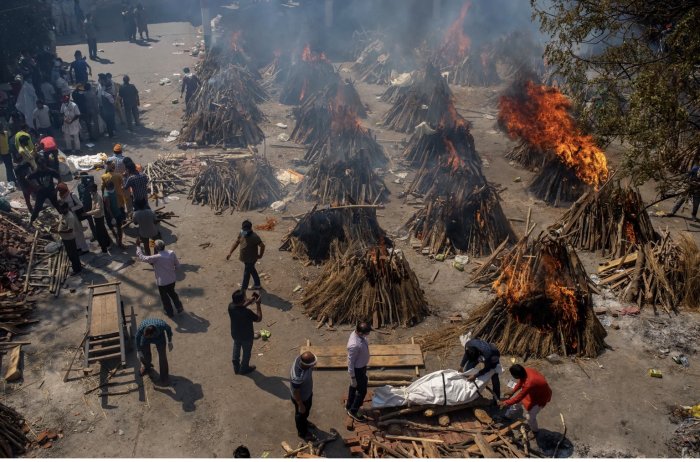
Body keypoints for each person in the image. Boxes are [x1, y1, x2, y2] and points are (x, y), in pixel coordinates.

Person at [136, 239, 184, 317]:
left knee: (165, 298)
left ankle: (170, 313)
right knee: (172, 293)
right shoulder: (171, 253)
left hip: (162, 283)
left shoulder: (156, 257)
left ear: (156, 248)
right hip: (172, 280)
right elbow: (178, 265)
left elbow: (142, 258)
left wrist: (138, 247)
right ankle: (179, 307)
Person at [499, 364, 552, 435]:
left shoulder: (529, 383)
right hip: (532, 392)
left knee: (530, 417)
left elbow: (518, 398)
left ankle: (535, 431)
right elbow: (521, 382)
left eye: (513, 375)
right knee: (515, 404)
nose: (512, 376)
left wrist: (506, 402)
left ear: (517, 375)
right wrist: (513, 391)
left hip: (541, 397)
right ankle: (507, 416)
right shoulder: (526, 371)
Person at [228, 290, 262, 375]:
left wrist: (250, 301)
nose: (246, 299)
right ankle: (244, 368)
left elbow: (240, 306)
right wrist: (258, 304)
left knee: (236, 346)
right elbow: (258, 318)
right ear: (242, 301)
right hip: (247, 336)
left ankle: (236, 365)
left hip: (235, 333)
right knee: (246, 353)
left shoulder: (231, 306)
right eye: (245, 299)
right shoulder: (247, 313)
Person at [226, 220, 265, 292]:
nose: (245, 232)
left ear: (251, 228)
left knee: (246, 273)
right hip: (245, 258)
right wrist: (230, 252)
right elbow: (237, 242)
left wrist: (260, 255)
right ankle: (257, 285)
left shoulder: (254, 236)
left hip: (251, 258)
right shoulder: (242, 233)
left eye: (247, 230)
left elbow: (262, 246)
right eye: (244, 230)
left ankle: (243, 289)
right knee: (252, 270)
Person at [460, 338, 502, 403]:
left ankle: (496, 399)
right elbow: (466, 355)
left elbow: (487, 369)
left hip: (493, 358)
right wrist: (461, 366)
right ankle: (468, 390)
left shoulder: (488, 354)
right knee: (467, 369)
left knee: (494, 376)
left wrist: (475, 375)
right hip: (481, 354)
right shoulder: (468, 345)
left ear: (479, 354)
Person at [135, 318, 173, 384]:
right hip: (145, 339)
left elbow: (168, 328)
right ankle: (146, 366)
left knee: (162, 357)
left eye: (148, 336)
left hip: (159, 338)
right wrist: (138, 350)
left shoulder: (161, 325)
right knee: (144, 353)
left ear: (153, 334)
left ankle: (164, 377)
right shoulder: (142, 328)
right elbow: (137, 337)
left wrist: (169, 341)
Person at [346, 321, 371, 422]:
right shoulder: (354, 345)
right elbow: (350, 362)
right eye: (366, 333)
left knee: (354, 386)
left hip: (361, 367)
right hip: (358, 370)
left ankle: (349, 405)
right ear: (360, 333)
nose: (368, 335)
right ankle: (353, 411)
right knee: (362, 391)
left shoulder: (358, 335)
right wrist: (353, 377)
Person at [290, 351, 317, 441]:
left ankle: (305, 421)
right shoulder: (297, 376)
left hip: (307, 392)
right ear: (306, 365)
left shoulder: (300, 358)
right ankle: (302, 433)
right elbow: (296, 392)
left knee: (306, 411)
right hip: (301, 398)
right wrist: (300, 404)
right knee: (300, 414)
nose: (315, 364)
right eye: (313, 364)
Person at [57, 182, 89, 253]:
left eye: (61, 190)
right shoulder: (61, 195)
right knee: (73, 233)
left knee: (79, 232)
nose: (60, 192)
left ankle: (85, 248)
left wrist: (71, 209)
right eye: (59, 190)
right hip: (67, 215)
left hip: (74, 215)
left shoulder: (72, 195)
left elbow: (80, 205)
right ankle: (78, 247)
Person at [53, 203, 82, 275]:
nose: (60, 210)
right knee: (71, 254)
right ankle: (78, 266)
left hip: (69, 239)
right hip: (65, 239)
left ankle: (77, 269)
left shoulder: (70, 217)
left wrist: (58, 231)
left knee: (73, 254)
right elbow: (62, 223)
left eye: (61, 209)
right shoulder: (64, 214)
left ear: (66, 208)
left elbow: (70, 230)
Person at [83, 183, 111, 252]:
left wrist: (87, 213)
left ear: (93, 190)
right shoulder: (93, 195)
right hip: (97, 217)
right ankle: (108, 243)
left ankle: (104, 248)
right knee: (103, 231)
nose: (89, 191)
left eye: (90, 189)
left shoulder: (98, 197)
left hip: (99, 218)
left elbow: (98, 210)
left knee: (99, 234)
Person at [102, 180, 125, 248]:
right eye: (110, 187)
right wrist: (112, 217)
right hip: (112, 214)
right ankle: (117, 239)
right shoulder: (106, 195)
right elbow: (108, 208)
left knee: (119, 228)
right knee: (113, 228)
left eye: (113, 187)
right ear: (107, 188)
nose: (112, 188)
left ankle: (119, 242)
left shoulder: (114, 190)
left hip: (117, 211)